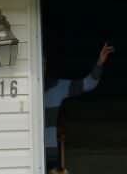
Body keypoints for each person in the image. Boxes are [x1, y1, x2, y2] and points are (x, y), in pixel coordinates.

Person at [44, 42, 115, 173]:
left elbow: (88, 83)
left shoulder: (56, 86)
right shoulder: (24, 88)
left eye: (44, 63)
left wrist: (100, 62)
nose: (42, 66)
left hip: (50, 156)